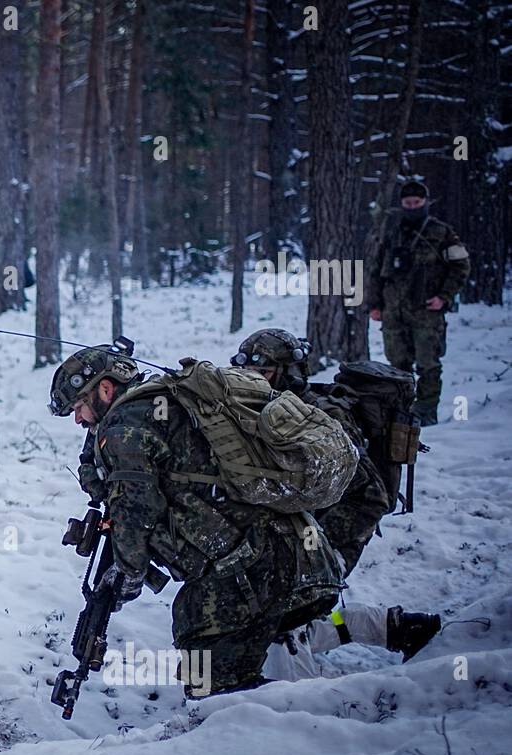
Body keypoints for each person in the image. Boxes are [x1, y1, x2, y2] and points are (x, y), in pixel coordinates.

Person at [51, 344, 342, 697]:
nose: (78, 419)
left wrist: (127, 573)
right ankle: (323, 720)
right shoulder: (163, 404)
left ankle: (331, 723)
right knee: (226, 670)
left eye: (79, 406)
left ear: (105, 388)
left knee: (213, 685)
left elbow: (134, 508)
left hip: (250, 569)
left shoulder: (126, 422)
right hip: (285, 555)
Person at [233, 329, 442, 677]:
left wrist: (324, 550)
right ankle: (395, 628)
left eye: (265, 371)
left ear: (289, 372)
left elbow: (369, 493)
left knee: (284, 616)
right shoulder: (265, 410)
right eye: (247, 369)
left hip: (336, 531)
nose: (252, 377)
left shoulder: (320, 419)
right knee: (293, 616)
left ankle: (300, 704)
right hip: (296, 532)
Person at [366, 178, 470, 427]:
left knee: (428, 364)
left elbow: (461, 266)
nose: (412, 207)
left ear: (425, 203)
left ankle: (425, 412)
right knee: (397, 365)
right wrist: (374, 304)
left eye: (416, 202)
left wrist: (444, 297)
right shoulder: (392, 233)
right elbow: (376, 269)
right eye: (407, 203)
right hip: (394, 312)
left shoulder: (442, 232)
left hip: (426, 311)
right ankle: (400, 412)